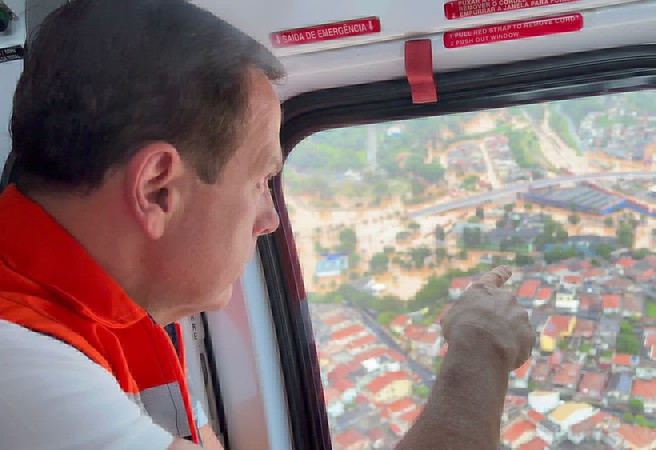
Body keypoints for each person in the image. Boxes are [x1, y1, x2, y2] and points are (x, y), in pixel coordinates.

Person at [0, 1, 535, 449]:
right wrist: (481, 344)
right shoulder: (21, 374)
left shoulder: (114, 315)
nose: (270, 218)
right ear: (157, 190)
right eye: (259, 181)